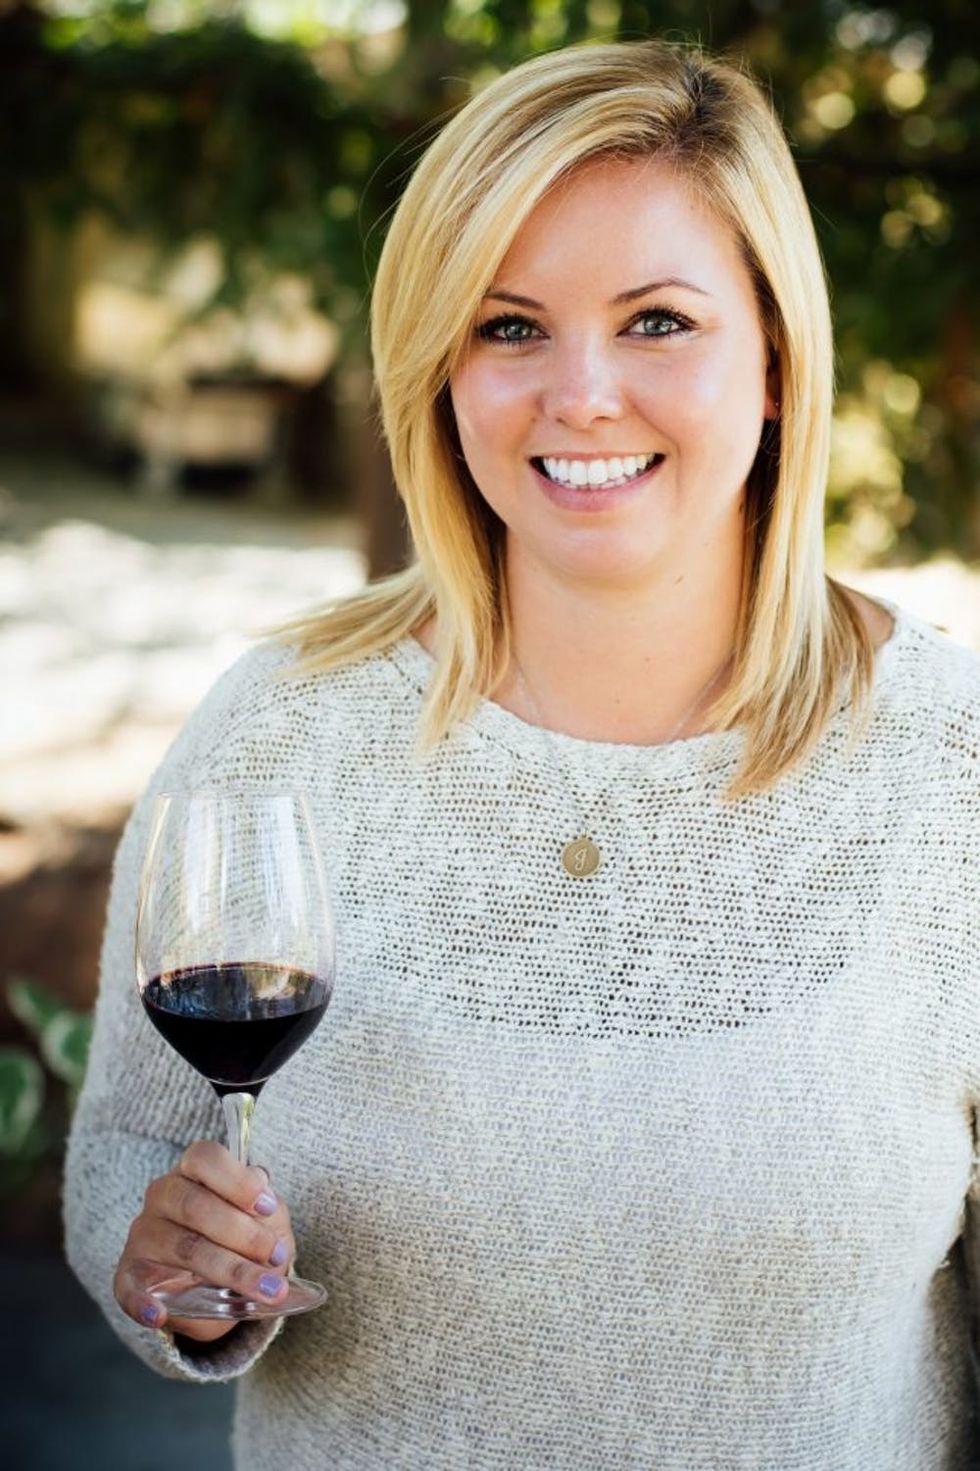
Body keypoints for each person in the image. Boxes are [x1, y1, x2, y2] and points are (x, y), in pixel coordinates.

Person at [64, 35, 980, 1471]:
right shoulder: (282, 728)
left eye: (657, 320)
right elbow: (131, 1152)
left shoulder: (948, 765)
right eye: (509, 327)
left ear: (777, 360)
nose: (582, 393)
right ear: (441, 369)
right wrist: (166, 1265)